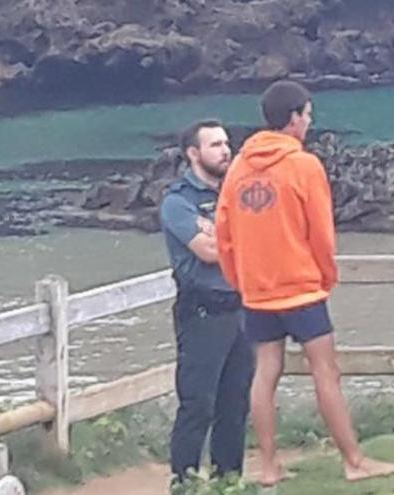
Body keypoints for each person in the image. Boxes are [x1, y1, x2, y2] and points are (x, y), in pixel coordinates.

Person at [215, 80, 394, 486]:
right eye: (307, 115)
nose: (309, 122)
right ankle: (353, 459)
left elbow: (223, 234)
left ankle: (268, 466)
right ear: (294, 117)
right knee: (325, 371)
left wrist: (240, 280)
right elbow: (321, 231)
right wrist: (326, 275)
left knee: (265, 372)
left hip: (257, 292)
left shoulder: (238, 168)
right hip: (301, 287)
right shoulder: (303, 165)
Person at [159, 120, 253, 485]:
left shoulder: (238, 191)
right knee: (198, 403)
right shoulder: (177, 201)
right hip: (202, 312)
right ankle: (183, 479)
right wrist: (245, 237)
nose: (225, 150)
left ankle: (229, 479)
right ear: (193, 154)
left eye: (226, 143)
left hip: (241, 308)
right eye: (215, 145)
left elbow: (230, 240)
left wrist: (226, 234)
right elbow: (209, 251)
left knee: (235, 402)